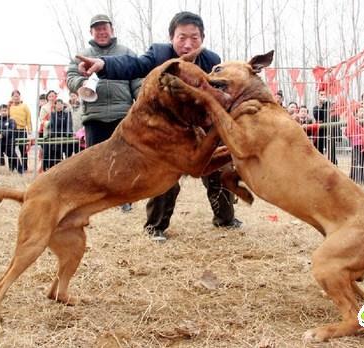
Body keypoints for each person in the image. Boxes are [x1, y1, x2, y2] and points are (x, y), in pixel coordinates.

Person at [76, 11, 242, 241]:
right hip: (167, 132)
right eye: (182, 37)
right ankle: (155, 227)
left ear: (202, 39)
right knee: (166, 176)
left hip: (201, 126)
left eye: (194, 38)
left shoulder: (211, 61)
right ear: (171, 38)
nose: (187, 44)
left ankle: (226, 219)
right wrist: (104, 64)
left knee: (219, 169)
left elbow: (221, 92)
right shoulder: (159, 54)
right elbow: (133, 65)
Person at [67, 14, 141, 213]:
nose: (101, 32)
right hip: (94, 114)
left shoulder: (126, 52)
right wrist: (81, 83)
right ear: (91, 32)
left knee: (124, 159)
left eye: (104, 28)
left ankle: (124, 199)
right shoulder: (82, 55)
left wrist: (141, 101)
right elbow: (70, 77)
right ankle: (97, 198)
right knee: (95, 160)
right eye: (97, 29)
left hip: (122, 114)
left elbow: (137, 80)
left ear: (112, 30)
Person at [43, 99, 74, 170]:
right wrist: (53, 134)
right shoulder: (53, 114)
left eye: (60, 104)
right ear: (55, 105)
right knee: (56, 152)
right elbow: (53, 125)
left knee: (68, 152)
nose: (59, 106)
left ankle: (68, 168)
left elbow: (69, 124)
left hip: (66, 136)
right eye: (58, 104)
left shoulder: (67, 114)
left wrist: (68, 133)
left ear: (63, 105)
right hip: (56, 135)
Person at [9, 90, 32, 171]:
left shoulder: (24, 106)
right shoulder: (10, 107)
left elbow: (28, 118)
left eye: (17, 96)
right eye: (14, 96)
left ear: (20, 97)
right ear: (11, 97)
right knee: (11, 149)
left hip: (22, 130)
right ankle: (12, 167)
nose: (16, 97)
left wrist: (29, 130)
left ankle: (24, 167)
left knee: (23, 150)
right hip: (12, 131)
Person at [313, 89, 338, 164]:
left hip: (330, 131)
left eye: (324, 95)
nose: (323, 96)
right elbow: (317, 117)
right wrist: (321, 106)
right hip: (320, 132)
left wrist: (327, 104)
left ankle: (333, 165)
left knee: (331, 151)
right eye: (321, 95)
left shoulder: (331, 106)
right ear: (318, 96)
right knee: (318, 150)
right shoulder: (316, 107)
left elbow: (333, 116)